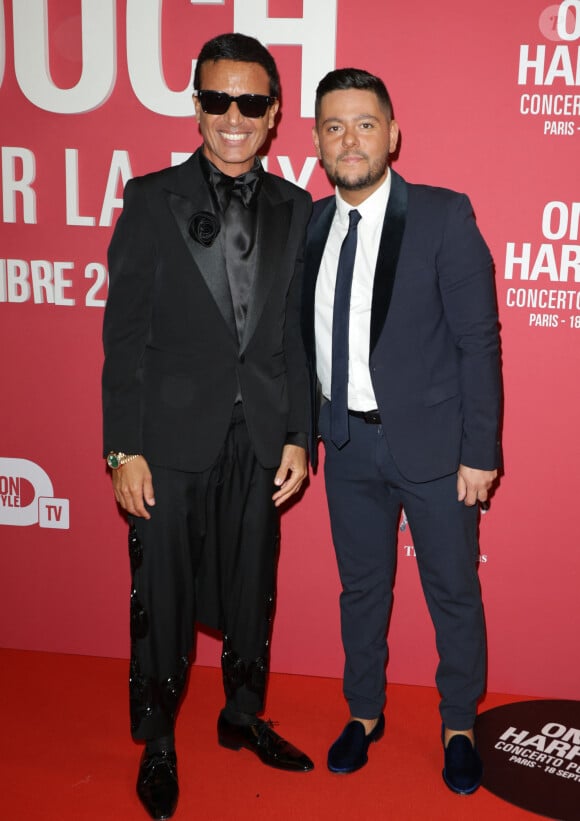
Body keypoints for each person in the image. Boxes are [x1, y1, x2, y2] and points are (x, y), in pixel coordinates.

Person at [102, 32, 314, 821]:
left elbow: (294, 334)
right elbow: (122, 335)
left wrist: (299, 431)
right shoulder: (148, 199)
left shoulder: (297, 207)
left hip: (258, 436)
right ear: (195, 107)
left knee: (252, 582)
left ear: (274, 115)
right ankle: (158, 737)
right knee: (160, 589)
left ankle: (241, 715)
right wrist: (122, 446)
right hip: (168, 440)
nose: (234, 116)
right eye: (218, 100)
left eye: (250, 102)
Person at [302, 68, 501, 794]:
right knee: (362, 589)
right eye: (333, 125)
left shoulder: (444, 216)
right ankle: (363, 712)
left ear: (392, 133)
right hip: (346, 444)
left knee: (451, 588)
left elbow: (479, 341)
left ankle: (457, 723)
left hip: (434, 449)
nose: (348, 139)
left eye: (363, 123)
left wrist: (480, 451)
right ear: (318, 141)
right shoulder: (313, 223)